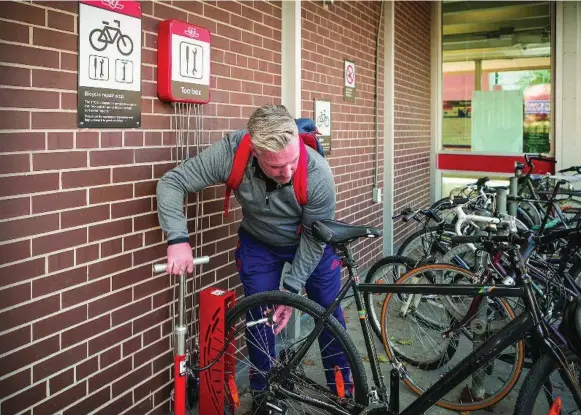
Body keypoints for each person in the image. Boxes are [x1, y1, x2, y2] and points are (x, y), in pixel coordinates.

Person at [156, 104, 350, 410]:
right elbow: (171, 182)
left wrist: (291, 289)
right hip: (260, 242)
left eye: (292, 162)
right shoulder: (233, 152)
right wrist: (177, 238)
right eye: (276, 167)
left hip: (311, 243)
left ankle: (343, 392)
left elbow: (314, 239)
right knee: (260, 317)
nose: (286, 173)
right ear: (256, 153)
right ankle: (265, 395)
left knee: (328, 313)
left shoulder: (317, 173)